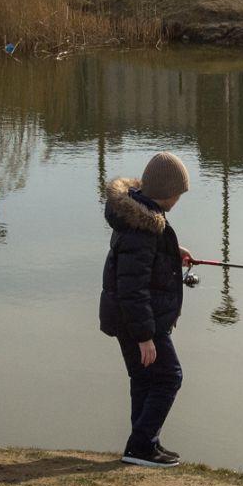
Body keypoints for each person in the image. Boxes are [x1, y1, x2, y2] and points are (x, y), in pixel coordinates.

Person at [100, 152, 194, 468]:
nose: (179, 199)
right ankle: (141, 445)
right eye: (178, 193)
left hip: (130, 318)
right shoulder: (143, 228)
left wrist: (171, 251)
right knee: (169, 377)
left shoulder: (137, 217)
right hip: (137, 321)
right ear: (167, 192)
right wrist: (144, 336)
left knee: (143, 379)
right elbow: (131, 287)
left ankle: (143, 445)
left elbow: (141, 261)